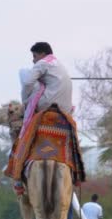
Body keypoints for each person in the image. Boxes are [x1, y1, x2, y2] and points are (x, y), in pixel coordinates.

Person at [13, 42, 74, 195]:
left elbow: (27, 82)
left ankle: (18, 176)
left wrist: (25, 101)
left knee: (24, 134)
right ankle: (75, 170)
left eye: (34, 56)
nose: (33, 60)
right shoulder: (59, 64)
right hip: (65, 110)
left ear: (41, 54)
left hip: (47, 105)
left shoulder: (42, 63)